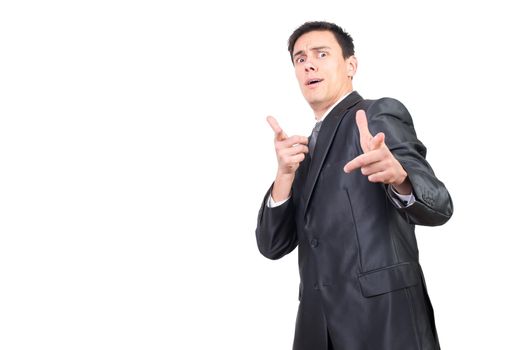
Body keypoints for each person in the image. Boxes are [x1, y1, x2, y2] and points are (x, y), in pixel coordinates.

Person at [255, 21, 453, 350]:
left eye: (321, 53)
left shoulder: (374, 115)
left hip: (383, 324)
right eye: (300, 59)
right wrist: (285, 175)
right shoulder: (302, 152)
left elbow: (440, 204)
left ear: (350, 65)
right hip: (317, 330)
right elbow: (271, 245)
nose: (309, 64)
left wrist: (400, 177)